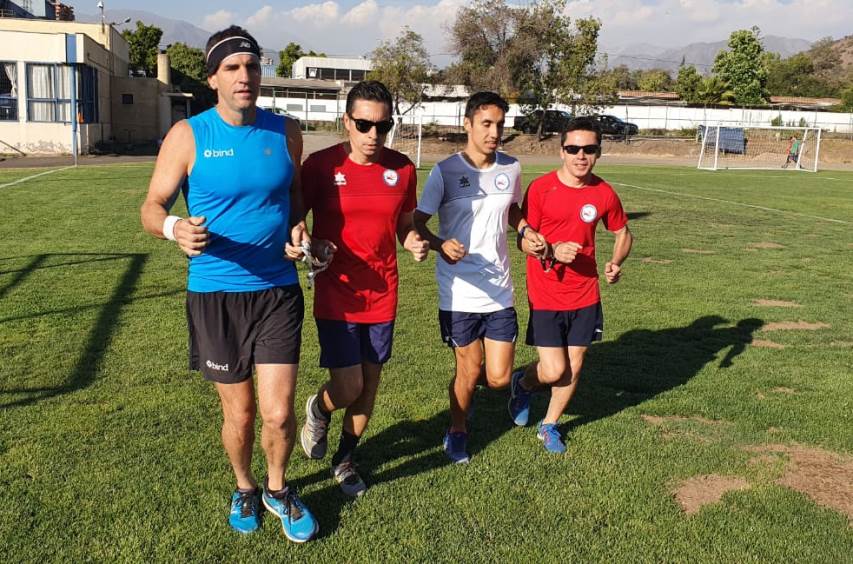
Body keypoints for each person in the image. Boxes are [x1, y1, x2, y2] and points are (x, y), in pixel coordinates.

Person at [140, 26, 319, 542]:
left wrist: (298, 230)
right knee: (240, 414)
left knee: (280, 413)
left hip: (277, 291)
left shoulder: (285, 132)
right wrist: (176, 228)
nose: (246, 77)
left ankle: (278, 488)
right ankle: (244, 485)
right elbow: (152, 208)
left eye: (253, 67)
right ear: (213, 77)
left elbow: (296, 199)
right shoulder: (188, 135)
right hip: (216, 294)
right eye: (234, 68)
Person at [299, 80, 429, 496]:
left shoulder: (403, 168)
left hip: (383, 293)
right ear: (347, 123)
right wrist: (310, 243)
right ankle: (318, 408)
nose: (374, 135)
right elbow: (294, 220)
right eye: (364, 124)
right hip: (337, 293)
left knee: (369, 386)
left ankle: (344, 459)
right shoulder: (320, 167)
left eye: (383, 126)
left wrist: (412, 242)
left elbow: (405, 225)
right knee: (347, 386)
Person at [413, 92, 546, 464]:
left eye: (500, 124)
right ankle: (457, 430)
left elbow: (513, 210)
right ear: (467, 124)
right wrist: (440, 245)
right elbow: (417, 223)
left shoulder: (512, 167)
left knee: (499, 378)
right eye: (486, 124)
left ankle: (518, 386)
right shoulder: (445, 172)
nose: (494, 132)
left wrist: (524, 231)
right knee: (469, 370)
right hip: (459, 292)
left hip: (500, 289)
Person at [509, 117, 633, 453]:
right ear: (561, 151)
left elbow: (622, 232)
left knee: (574, 364)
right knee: (553, 369)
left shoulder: (604, 192)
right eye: (573, 148)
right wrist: (550, 249)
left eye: (589, 149)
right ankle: (522, 383)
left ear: (598, 153)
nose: (581, 155)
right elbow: (524, 241)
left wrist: (615, 262)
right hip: (547, 291)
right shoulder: (541, 189)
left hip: (585, 292)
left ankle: (548, 425)